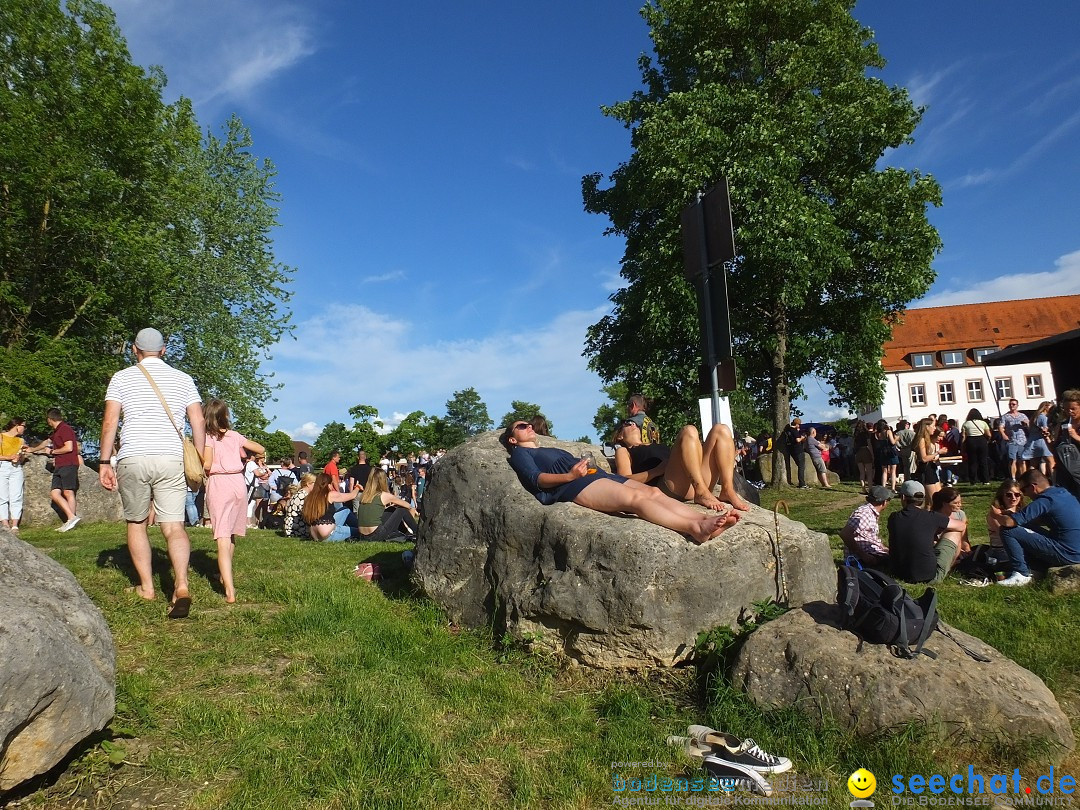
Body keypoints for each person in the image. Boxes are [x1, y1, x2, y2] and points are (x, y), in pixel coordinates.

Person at [99, 328, 204, 618]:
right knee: (174, 526)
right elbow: (197, 420)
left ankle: (146, 587)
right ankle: (181, 585)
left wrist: (104, 461)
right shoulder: (183, 379)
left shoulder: (121, 378)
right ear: (164, 350)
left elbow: (110, 421)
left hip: (133, 454)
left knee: (136, 522)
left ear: (135, 350)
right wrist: (199, 456)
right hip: (171, 457)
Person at [502, 420, 738, 544]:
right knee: (635, 501)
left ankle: (703, 520)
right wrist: (570, 476)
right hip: (575, 486)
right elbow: (537, 479)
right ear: (513, 438)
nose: (529, 427)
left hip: (597, 477)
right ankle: (694, 529)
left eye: (529, 424)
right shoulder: (520, 454)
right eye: (522, 426)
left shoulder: (545, 448)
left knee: (654, 494)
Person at [612, 418, 752, 511]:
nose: (633, 424)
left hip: (693, 477)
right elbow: (623, 479)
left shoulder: (658, 445)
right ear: (619, 436)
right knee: (689, 430)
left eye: (635, 423)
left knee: (721, 429)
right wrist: (655, 471)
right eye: (627, 423)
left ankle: (727, 489)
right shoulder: (624, 450)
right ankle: (700, 491)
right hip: (670, 486)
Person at [202, 399, 264, 604]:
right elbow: (260, 448)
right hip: (238, 482)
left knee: (221, 536)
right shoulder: (235, 436)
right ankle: (224, 575)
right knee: (231, 533)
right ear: (224, 416)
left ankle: (229, 589)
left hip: (219, 482)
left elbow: (208, 464)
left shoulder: (208, 437)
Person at [989, 469, 1080, 586]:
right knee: (1023, 528)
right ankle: (1036, 569)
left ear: (1033, 487)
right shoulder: (1063, 493)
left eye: (1022, 490)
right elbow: (1032, 521)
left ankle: (1021, 574)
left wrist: (996, 515)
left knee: (1008, 531)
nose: (1023, 494)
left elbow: (1009, 523)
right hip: (1076, 550)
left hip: (1068, 553)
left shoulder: (1045, 500)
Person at [886, 480, 966, 584]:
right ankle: (949, 566)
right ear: (923, 498)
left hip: (898, 573)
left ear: (903, 498)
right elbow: (961, 526)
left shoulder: (893, 518)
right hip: (928, 576)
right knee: (954, 533)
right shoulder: (931, 517)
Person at [27, 408, 81, 530]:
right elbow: (47, 442)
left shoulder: (65, 429)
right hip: (59, 465)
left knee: (68, 492)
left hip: (68, 463)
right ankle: (71, 517)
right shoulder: (57, 431)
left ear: (50, 419)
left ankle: (71, 520)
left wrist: (52, 451)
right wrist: (32, 449)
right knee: (55, 493)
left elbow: (69, 447)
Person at [355, 468, 419, 541]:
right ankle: (418, 532)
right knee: (401, 510)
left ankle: (406, 533)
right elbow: (408, 506)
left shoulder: (364, 495)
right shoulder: (384, 495)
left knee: (391, 509)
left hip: (362, 536)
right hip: (376, 535)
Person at [839, 485, 893, 568]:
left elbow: (869, 536)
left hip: (868, 552)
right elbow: (845, 534)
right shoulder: (864, 514)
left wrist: (883, 547)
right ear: (884, 502)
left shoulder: (869, 511)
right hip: (860, 558)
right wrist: (863, 555)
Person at [302, 473, 359, 541]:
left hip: (315, 535)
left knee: (345, 510)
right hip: (329, 534)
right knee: (360, 532)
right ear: (328, 485)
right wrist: (357, 487)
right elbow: (352, 495)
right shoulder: (330, 495)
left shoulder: (309, 497)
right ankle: (360, 528)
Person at [929, 487, 970, 582]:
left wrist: (968, 551)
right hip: (938, 549)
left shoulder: (960, 515)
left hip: (956, 549)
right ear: (944, 504)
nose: (960, 505)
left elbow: (964, 539)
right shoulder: (933, 516)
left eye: (960, 502)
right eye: (956, 503)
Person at [0, 418, 29, 531]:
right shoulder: (1, 437)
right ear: (16, 425)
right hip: (2, 466)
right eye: (23, 426)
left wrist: (20, 456)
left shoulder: (20, 441)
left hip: (16, 468)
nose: (24, 429)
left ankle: (15, 524)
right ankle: (5, 523)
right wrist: (9, 457)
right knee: (2, 496)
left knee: (16, 495)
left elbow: (22, 458)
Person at [1055, 390, 1080, 499]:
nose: (1069, 411)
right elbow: (1056, 449)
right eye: (1066, 409)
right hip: (1065, 470)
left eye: (1073, 409)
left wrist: (1075, 436)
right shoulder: (1064, 424)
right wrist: (1047, 439)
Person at [912, 419, 942, 509]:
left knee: (935, 499)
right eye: (932, 426)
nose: (934, 428)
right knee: (935, 501)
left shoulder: (927, 439)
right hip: (926, 470)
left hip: (931, 468)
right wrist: (938, 453)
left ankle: (927, 518)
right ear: (927, 427)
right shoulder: (921, 439)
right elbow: (924, 458)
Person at [999, 399, 1030, 480]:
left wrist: (1026, 424)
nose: (1012, 406)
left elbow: (1029, 426)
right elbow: (1001, 426)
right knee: (1012, 460)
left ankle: (1023, 477)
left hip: (1022, 441)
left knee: (1022, 460)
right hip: (1012, 441)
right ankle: (1013, 478)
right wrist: (1003, 434)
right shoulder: (1006, 416)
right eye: (1010, 404)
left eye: (1013, 404)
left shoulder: (1022, 416)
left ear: (1017, 405)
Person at [960, 409, 992, 485]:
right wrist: (987, 441)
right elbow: (989, 434)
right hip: (981, 440)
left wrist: (962, 447)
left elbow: (963, 437)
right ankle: (985, 480)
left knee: (972, 462)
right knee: (983, 461)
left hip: (970, 441)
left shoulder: (965, 424)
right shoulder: (983, 423)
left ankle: (973, 480)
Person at [1023, 401, 1054, 477]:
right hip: (1042, 441)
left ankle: (1029, 479)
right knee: (1051, 461)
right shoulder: (1043, 417)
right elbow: (1045, 429)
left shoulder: (1035, 417)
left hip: (1033, 441)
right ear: (1046, 407)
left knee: (1033, 463)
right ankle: (1054, 480)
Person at [283, 472, 317, 539]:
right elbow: (307, 515)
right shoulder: (303, 496)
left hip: (292, 528)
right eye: (315, 483)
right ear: (308, 484)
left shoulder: (300, 494)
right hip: (297, 530)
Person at [873, 419, 899, 491]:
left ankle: (883, 487)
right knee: (893, 471)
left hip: (882, 452)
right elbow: (892, 442)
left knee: (884, 471)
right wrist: (896, 439)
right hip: (891, 452)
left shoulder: (877, 434)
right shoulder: (888, 431)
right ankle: (893, 488)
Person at [782, 417, 808, 489]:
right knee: (801, 467)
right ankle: (802, 483)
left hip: (791, 450)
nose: (799, 426)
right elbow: (797, 440)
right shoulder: (794, 431)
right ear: (796, 424)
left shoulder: (787, 431)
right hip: (798, 450)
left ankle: (801, 482)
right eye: (799, 424)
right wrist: (802, 437)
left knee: (800, 466)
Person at [853, 421, 874, 494]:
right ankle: (870, 488)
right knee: (869, 472)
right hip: (866, 451)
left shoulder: (856, 435)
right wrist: (872, 454)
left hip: (858, 452)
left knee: (862, 472)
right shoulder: (866, 434)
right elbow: (869, 445)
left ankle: (863, 488)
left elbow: (854, 445)